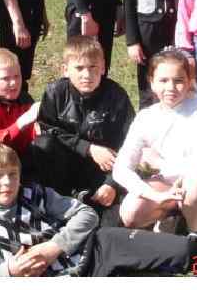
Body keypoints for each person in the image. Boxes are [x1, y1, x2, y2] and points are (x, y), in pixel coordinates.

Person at [0, 142, 197, 277]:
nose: (7, 182)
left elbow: (86, 214)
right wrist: (9, 271)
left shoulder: (35, 193)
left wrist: (55, 246)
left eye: (12, 174)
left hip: (96, 248)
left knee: (184, 251)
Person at [113, 48, 197, 246]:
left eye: (178, 80)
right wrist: (157, 195)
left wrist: (160, 163)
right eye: (163, 80)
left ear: (189, 82)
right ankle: (172, 213)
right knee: (131, 213)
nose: (171, 87)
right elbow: (121, 168)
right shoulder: (145, 117)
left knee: (195, 180)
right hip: (167, 186)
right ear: (152, 82)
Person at [30, 36, 134, 219]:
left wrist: (112, 183)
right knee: (43, 144)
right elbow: (47, 129)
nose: (87, 75)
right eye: (79, 68)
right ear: (65, 70)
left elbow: (130, 143)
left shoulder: (116, 96)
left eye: (93, 67)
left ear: (103, 67)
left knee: (112, 220)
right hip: (63, 164)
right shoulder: (55, 92)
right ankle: (54, 198)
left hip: (102, 168)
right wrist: (87, 148)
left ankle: (90, 198)